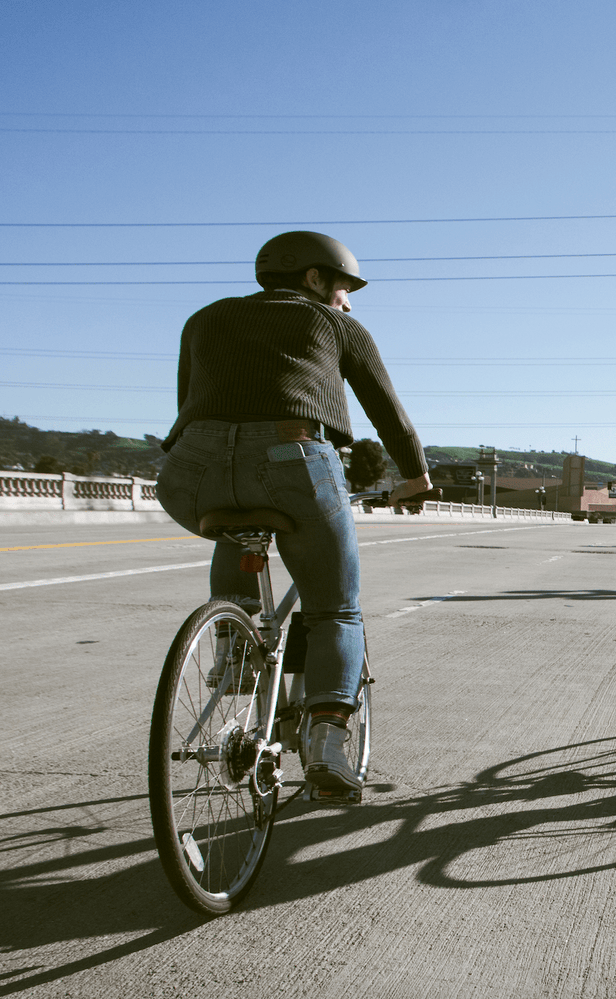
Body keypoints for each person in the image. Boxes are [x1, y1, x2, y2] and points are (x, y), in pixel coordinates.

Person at [156, 231, 432, 796]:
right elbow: (386, 410)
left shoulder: (203, 319)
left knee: (237, 529)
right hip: (293, 457)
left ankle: (233, 650)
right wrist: (416, 477)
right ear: (313, 279)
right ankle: (328, 745)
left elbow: (189, 402)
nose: (348, 301)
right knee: (334, 610)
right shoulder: (336, 326)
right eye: (342, 287)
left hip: (190, 469)